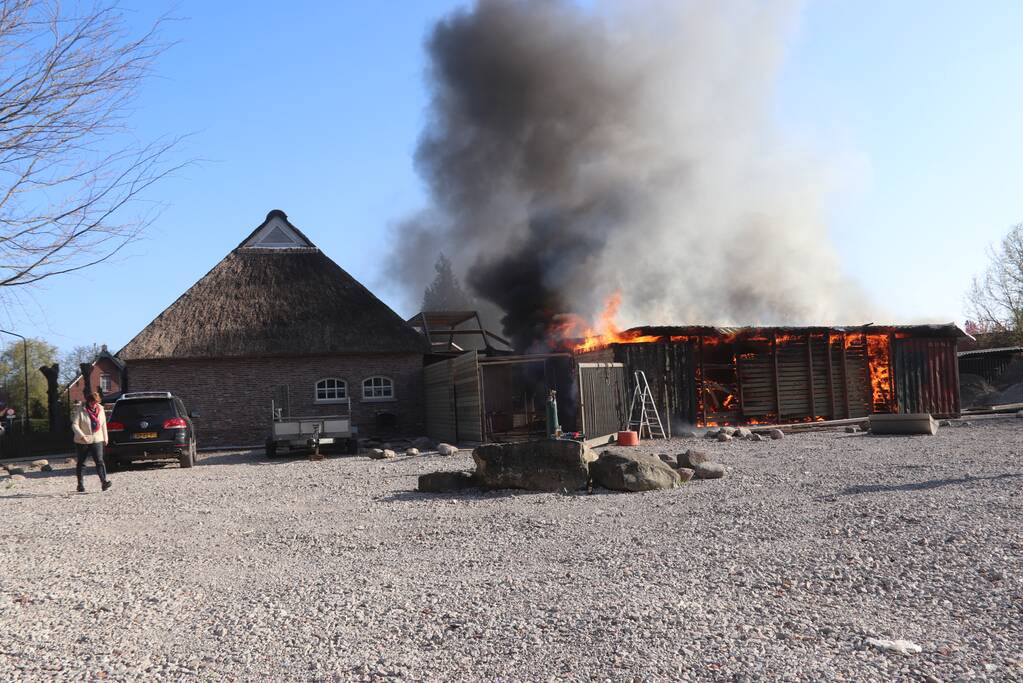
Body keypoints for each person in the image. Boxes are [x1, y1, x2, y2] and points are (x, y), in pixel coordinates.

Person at [71, 392, 112, 493]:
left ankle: (104, 482)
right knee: (82, 463)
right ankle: (80, 485)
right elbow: (74, 425)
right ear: (88, 401)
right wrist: (82, 436)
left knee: (100, 461)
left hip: (97, 438)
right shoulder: (81, 410)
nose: (94, 405)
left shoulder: (101, 409)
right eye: (92, 402)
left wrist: (105, 437)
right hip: (83, 441)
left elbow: (103, 425)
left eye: (96, 402)